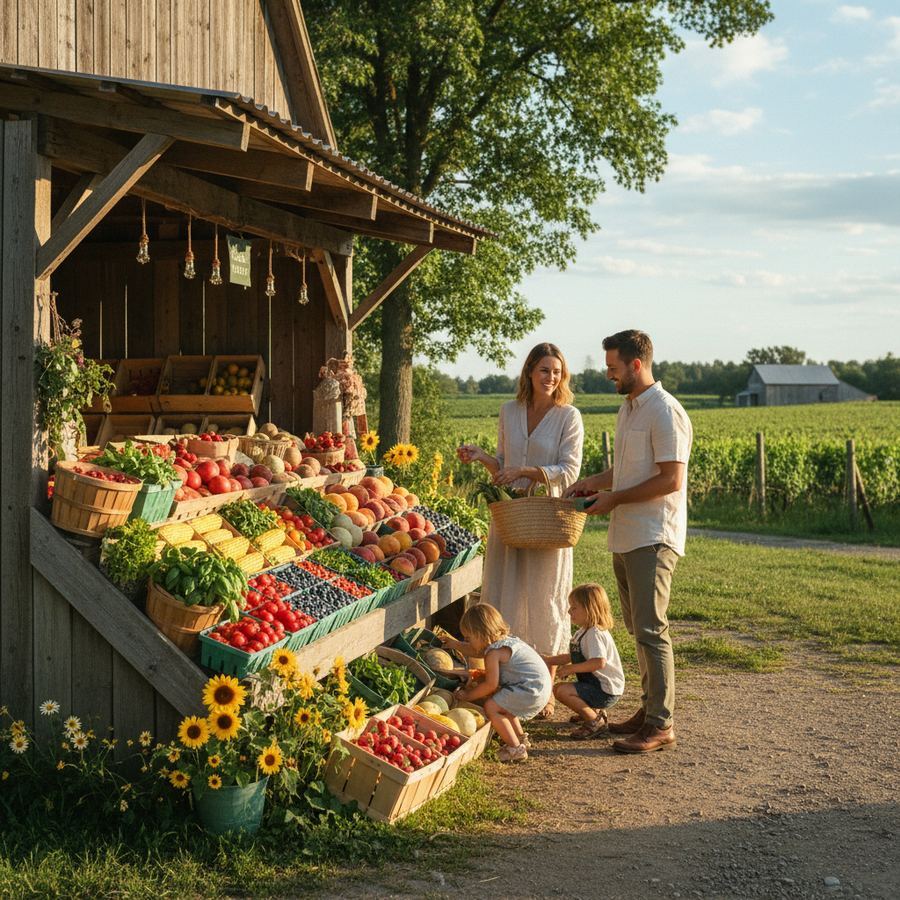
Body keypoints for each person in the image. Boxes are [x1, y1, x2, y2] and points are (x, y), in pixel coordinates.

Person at [565, 330, 692, 753]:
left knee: (653, 630)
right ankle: (649, 709)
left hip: (653, 535)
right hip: (627, 534)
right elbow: (627, 471)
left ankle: (661, 723)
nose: (608, 375)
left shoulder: (665, 412)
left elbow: (670, 478)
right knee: (639, 629)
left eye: (613, 368)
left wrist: (614, 497)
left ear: (636, 365)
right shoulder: (630, 410)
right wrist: (593, 483)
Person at [457, 342, 584, 718]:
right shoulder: (508, 412)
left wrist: (528, 472)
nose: (551, 378)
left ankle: (544, 688)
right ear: (529, 371)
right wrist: (482, 458)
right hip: (511, 517)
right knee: (507, 589)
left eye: (557, 372)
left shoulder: (568, 416)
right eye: (544, 370)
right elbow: (502, 466)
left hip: (546, 518)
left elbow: (569, 469)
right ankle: (509, 682)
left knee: (545, 595)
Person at [442, 603, 552, 763]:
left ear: (480, 634)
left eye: (469, 637)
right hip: (540, 688)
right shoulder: (505, 642)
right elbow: (476, 651)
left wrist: (468, 695)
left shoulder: (493, 653)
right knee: (506, 707)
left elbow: (490, 685)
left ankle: (514, 749)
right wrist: (455, 644)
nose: (467, 641)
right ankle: (520, 739)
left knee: (492, 706)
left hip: (529, 689)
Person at [542, 583, 624, 740]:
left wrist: (570, 669)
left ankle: (594, 721)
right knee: (562, 689)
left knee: (561, 691)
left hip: (605, 690)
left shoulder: (594, 633)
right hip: (598, 686)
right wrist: (548, 660)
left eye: (574, 608)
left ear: (590, 609)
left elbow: (598, 662)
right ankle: (589, 712)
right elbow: (574, 655)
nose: (569, 611)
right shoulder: (584, 631)